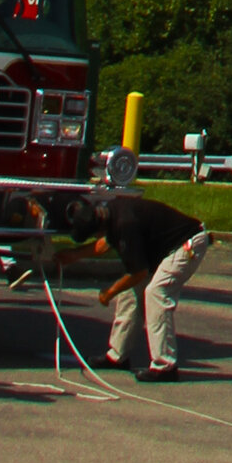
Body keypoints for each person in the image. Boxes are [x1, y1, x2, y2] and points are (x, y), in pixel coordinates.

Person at [60, 155, 215, 378]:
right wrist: (73, 256)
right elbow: (104, 245)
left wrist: (109, 292)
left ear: (98, 226)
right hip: (165, 249)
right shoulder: (112, 212)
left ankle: (165, 366)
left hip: (187, 244)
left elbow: (138, 272)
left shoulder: (124, 224)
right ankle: (117, 356)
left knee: (156, 293)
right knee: (129, 296)